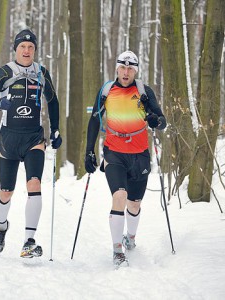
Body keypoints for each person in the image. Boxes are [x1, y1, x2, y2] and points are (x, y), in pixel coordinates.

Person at [0, 29, 61, 258]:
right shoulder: (4, 72)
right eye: (22, 47)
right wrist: (0, 105)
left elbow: (53, 101)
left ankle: (29, 241)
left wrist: (55, 129)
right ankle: (2, 226)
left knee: (34, 183)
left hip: (33, 137)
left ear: (35, 50)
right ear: (16, 49)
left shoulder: (41, 73)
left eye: (31, 47)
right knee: (6, 192)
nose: (26, 51)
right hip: (8, 138)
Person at [84, 50, 167, 267]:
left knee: (134, 203)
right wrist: (89, 151)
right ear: (117, 69)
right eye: (123, 67)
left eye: (131, 68)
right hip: (114, 152)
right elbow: (94, 121)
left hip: (139, 154)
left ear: (135, 71)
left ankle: (130, 238)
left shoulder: (144, 91)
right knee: (119, 196)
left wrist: (154, 119)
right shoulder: (106, 91)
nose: (126, 72)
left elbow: (162, 121)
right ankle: (116, 250)